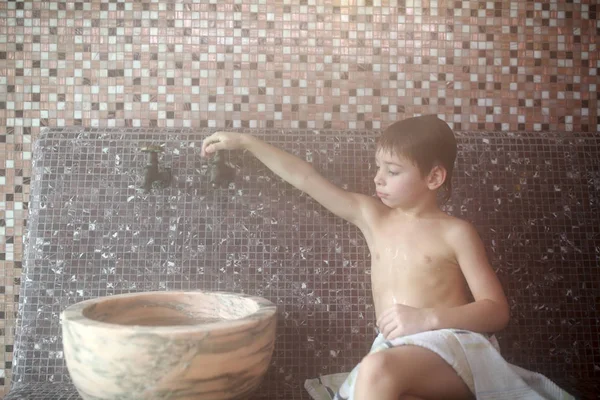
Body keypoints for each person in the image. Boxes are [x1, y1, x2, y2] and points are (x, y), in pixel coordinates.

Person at [201, 115, 572, 400]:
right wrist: (247, 143)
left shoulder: (455, 232)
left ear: (434, 177)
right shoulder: (373, 217)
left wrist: (427, 318)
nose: (378, 179)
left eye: (392, 171)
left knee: (376, 370)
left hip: (454, 351)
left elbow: (496, 310)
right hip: (400, 352)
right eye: (378, 168)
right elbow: (307, 179)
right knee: (384, 378)